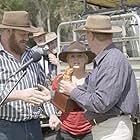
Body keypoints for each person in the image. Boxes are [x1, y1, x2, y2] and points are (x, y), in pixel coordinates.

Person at [59, 15, 139, 140]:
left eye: (86, 35)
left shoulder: (111, 61)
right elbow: (87, 90)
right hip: (109, 128)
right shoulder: (106, 59)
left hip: (113, 129)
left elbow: (101, 103)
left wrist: (72, 90)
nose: (87, 40)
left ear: (90, 35)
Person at [0, 11, 60, 140]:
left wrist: (52, 114)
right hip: (5, 129)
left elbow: (42, 88)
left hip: (34, 127)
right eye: (23, 34)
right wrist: (19, 95)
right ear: (9, 31)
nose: (27, 38)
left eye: (28, 34)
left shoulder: (31, 56)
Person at [51, 41, 95, 140]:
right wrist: (53, 115)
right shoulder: (60, 79)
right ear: (67, 59)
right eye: (72, 56)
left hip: (89, 130)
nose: (76, 59)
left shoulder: (93, 79)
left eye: (79, 56)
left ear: (86, 59)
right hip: (65, 130)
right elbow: (53, 102)